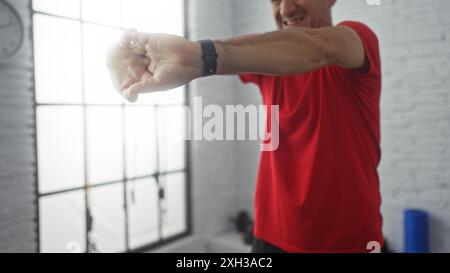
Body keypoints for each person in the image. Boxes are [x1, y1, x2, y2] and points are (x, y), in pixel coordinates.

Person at [106, 0, 383, 253]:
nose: (285, 9)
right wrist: (147, 58)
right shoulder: (269, 63)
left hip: (350, 242)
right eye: (275, 0)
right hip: (271, 236)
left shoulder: (358, 39)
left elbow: (319, 47)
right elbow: (246, 50)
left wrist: (197, 56)